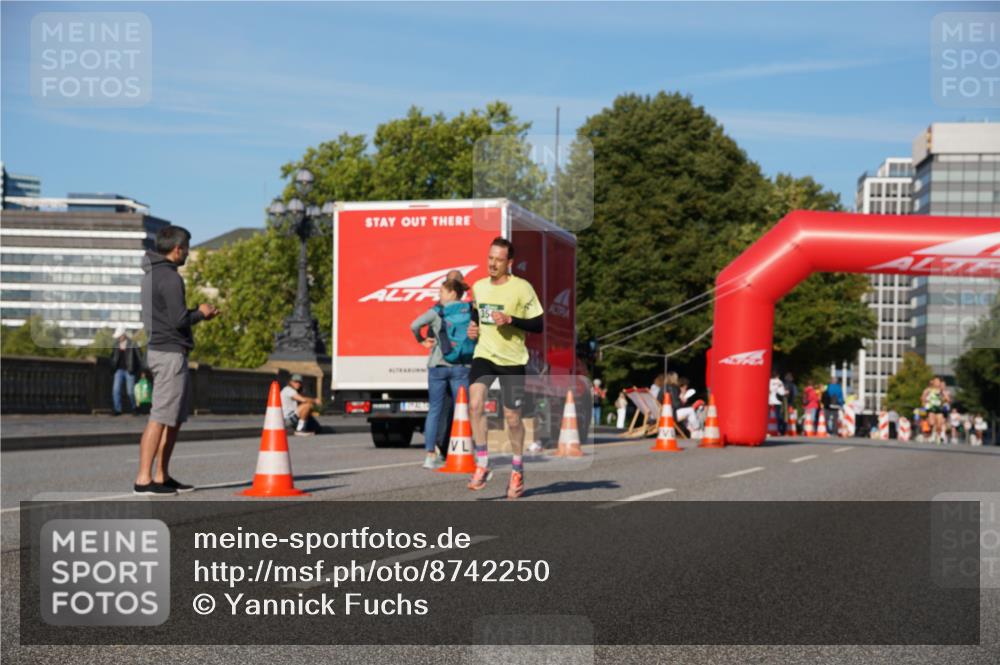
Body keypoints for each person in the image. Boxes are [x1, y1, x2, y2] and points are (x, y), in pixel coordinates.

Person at [133, 225, 218, 496]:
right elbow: (178, 320)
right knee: (160, 417)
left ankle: (162, 475)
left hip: (164, 350)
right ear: (177, 249)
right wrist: (202, 313)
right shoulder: (169, 277)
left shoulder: (152, 274)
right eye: (188, 249)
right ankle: (144, 479)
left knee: (173, 418)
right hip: (169, 353)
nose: (188, 255)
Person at [465, 237, 544, 499]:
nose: (493, 264)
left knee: (512, 417)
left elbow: (538, 324)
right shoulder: (478, 286)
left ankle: (517, 469)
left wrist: (511, 319)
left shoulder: (522, 288)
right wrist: (473, 328)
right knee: (474, 403)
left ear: (509, 263)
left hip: (512, 359)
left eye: (499, 260)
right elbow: (476, 315)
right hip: (484, 354)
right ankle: (483, 462)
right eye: (490, 258)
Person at [410, 278, 474, 469]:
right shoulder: (470, 310)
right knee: (462, 410)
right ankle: (464, 451)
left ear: (452, 293)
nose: (439, 296)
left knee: (435, 410)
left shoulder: (437, 312)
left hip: (438, 366)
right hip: (461, 366)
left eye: (442, 292)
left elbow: (414, 325)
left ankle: (430, 455)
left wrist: (421, 340)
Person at [110, 326, 143, 416]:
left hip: (130, 370)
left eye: (119, 336)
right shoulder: (116, 344)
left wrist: (142, 371)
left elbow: (140, 358)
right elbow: (113, 357)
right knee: (116, 390)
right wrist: (112, 367)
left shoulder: (133, 344)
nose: (118, 338)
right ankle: (117, 409)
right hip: (118, 370)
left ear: (124, 335)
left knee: (130, 392)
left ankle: (134, 408)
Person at [921, 377, 946, 444]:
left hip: (938, 408)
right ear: (933, 382)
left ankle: (938, 436)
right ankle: (933, 433)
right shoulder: (928, 390)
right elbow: (922, 397)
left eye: (938, 381)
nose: (937, 383)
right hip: (931, 408)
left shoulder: (941, 390)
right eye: (936, 381)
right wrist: (925, 401)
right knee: (932, 423)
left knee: (939, 425)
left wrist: (944, 400)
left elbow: (946, 398)